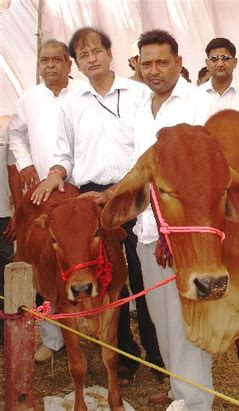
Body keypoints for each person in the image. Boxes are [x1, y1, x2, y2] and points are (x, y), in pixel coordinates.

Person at [31, 26, 162, 385]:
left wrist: (124, 187)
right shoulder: (73, 104)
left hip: (133, 193)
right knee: (106, 281)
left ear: (109, 53)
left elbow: (149, 148)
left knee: (144, 273)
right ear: (79, 62)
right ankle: (123, 357)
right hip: (91, 201)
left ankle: (158, 353)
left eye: (97, 52)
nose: (92, 59)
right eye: (84, 55)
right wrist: (56, 172)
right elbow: (65, 153)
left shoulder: (138, 94)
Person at [132, 29, 213, 409]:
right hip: (147, 230)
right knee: (160, 317)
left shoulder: (199, 104)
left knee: (186, 321)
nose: (153, 70)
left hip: (184, 236)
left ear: (179, 63)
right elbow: (137, 168)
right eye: (145, 63)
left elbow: (208, 172)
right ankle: (182, 391)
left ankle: (195, 402)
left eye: (162, 62)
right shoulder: (140, 109)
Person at [7, 39, 82, 362]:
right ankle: (52, 339)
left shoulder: (84, 95)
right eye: (44, 60)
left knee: (77, 263)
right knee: (44, 265)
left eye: (56, 60)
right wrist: (24, 164)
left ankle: (83, 332)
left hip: (76, 191)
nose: (50, 65)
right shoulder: (29, 98)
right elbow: (15, 135)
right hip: (40, 195)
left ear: (69, 64)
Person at [200, 37, 239, 132]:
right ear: (207, 63)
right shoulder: (195, 95)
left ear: (235, 62)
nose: (220, 64)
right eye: (214, 59)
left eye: (225, 58)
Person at [0, 116, 21, 343]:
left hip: (2, 215)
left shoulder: (5, 128)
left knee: (4, 271)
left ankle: (7, 331)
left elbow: (13, 170)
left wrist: (17, 211)